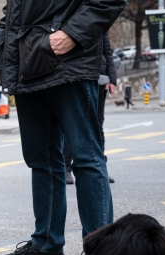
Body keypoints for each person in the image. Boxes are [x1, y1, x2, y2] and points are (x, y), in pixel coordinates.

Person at [0, 0, 124, 255]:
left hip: (69, 64)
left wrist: (72, 33)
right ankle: (47, 243)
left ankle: (100, 252)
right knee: (42, 160)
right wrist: (0, 42)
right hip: (28, 64)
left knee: (86, 157)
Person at [64, 33, 116, 184]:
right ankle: (66, 168)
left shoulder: (98, 20)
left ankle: (100, 168)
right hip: (75, 77)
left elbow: (108, 52)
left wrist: (111, 79)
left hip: (99, 79)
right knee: (71, 124)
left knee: (97, 125)